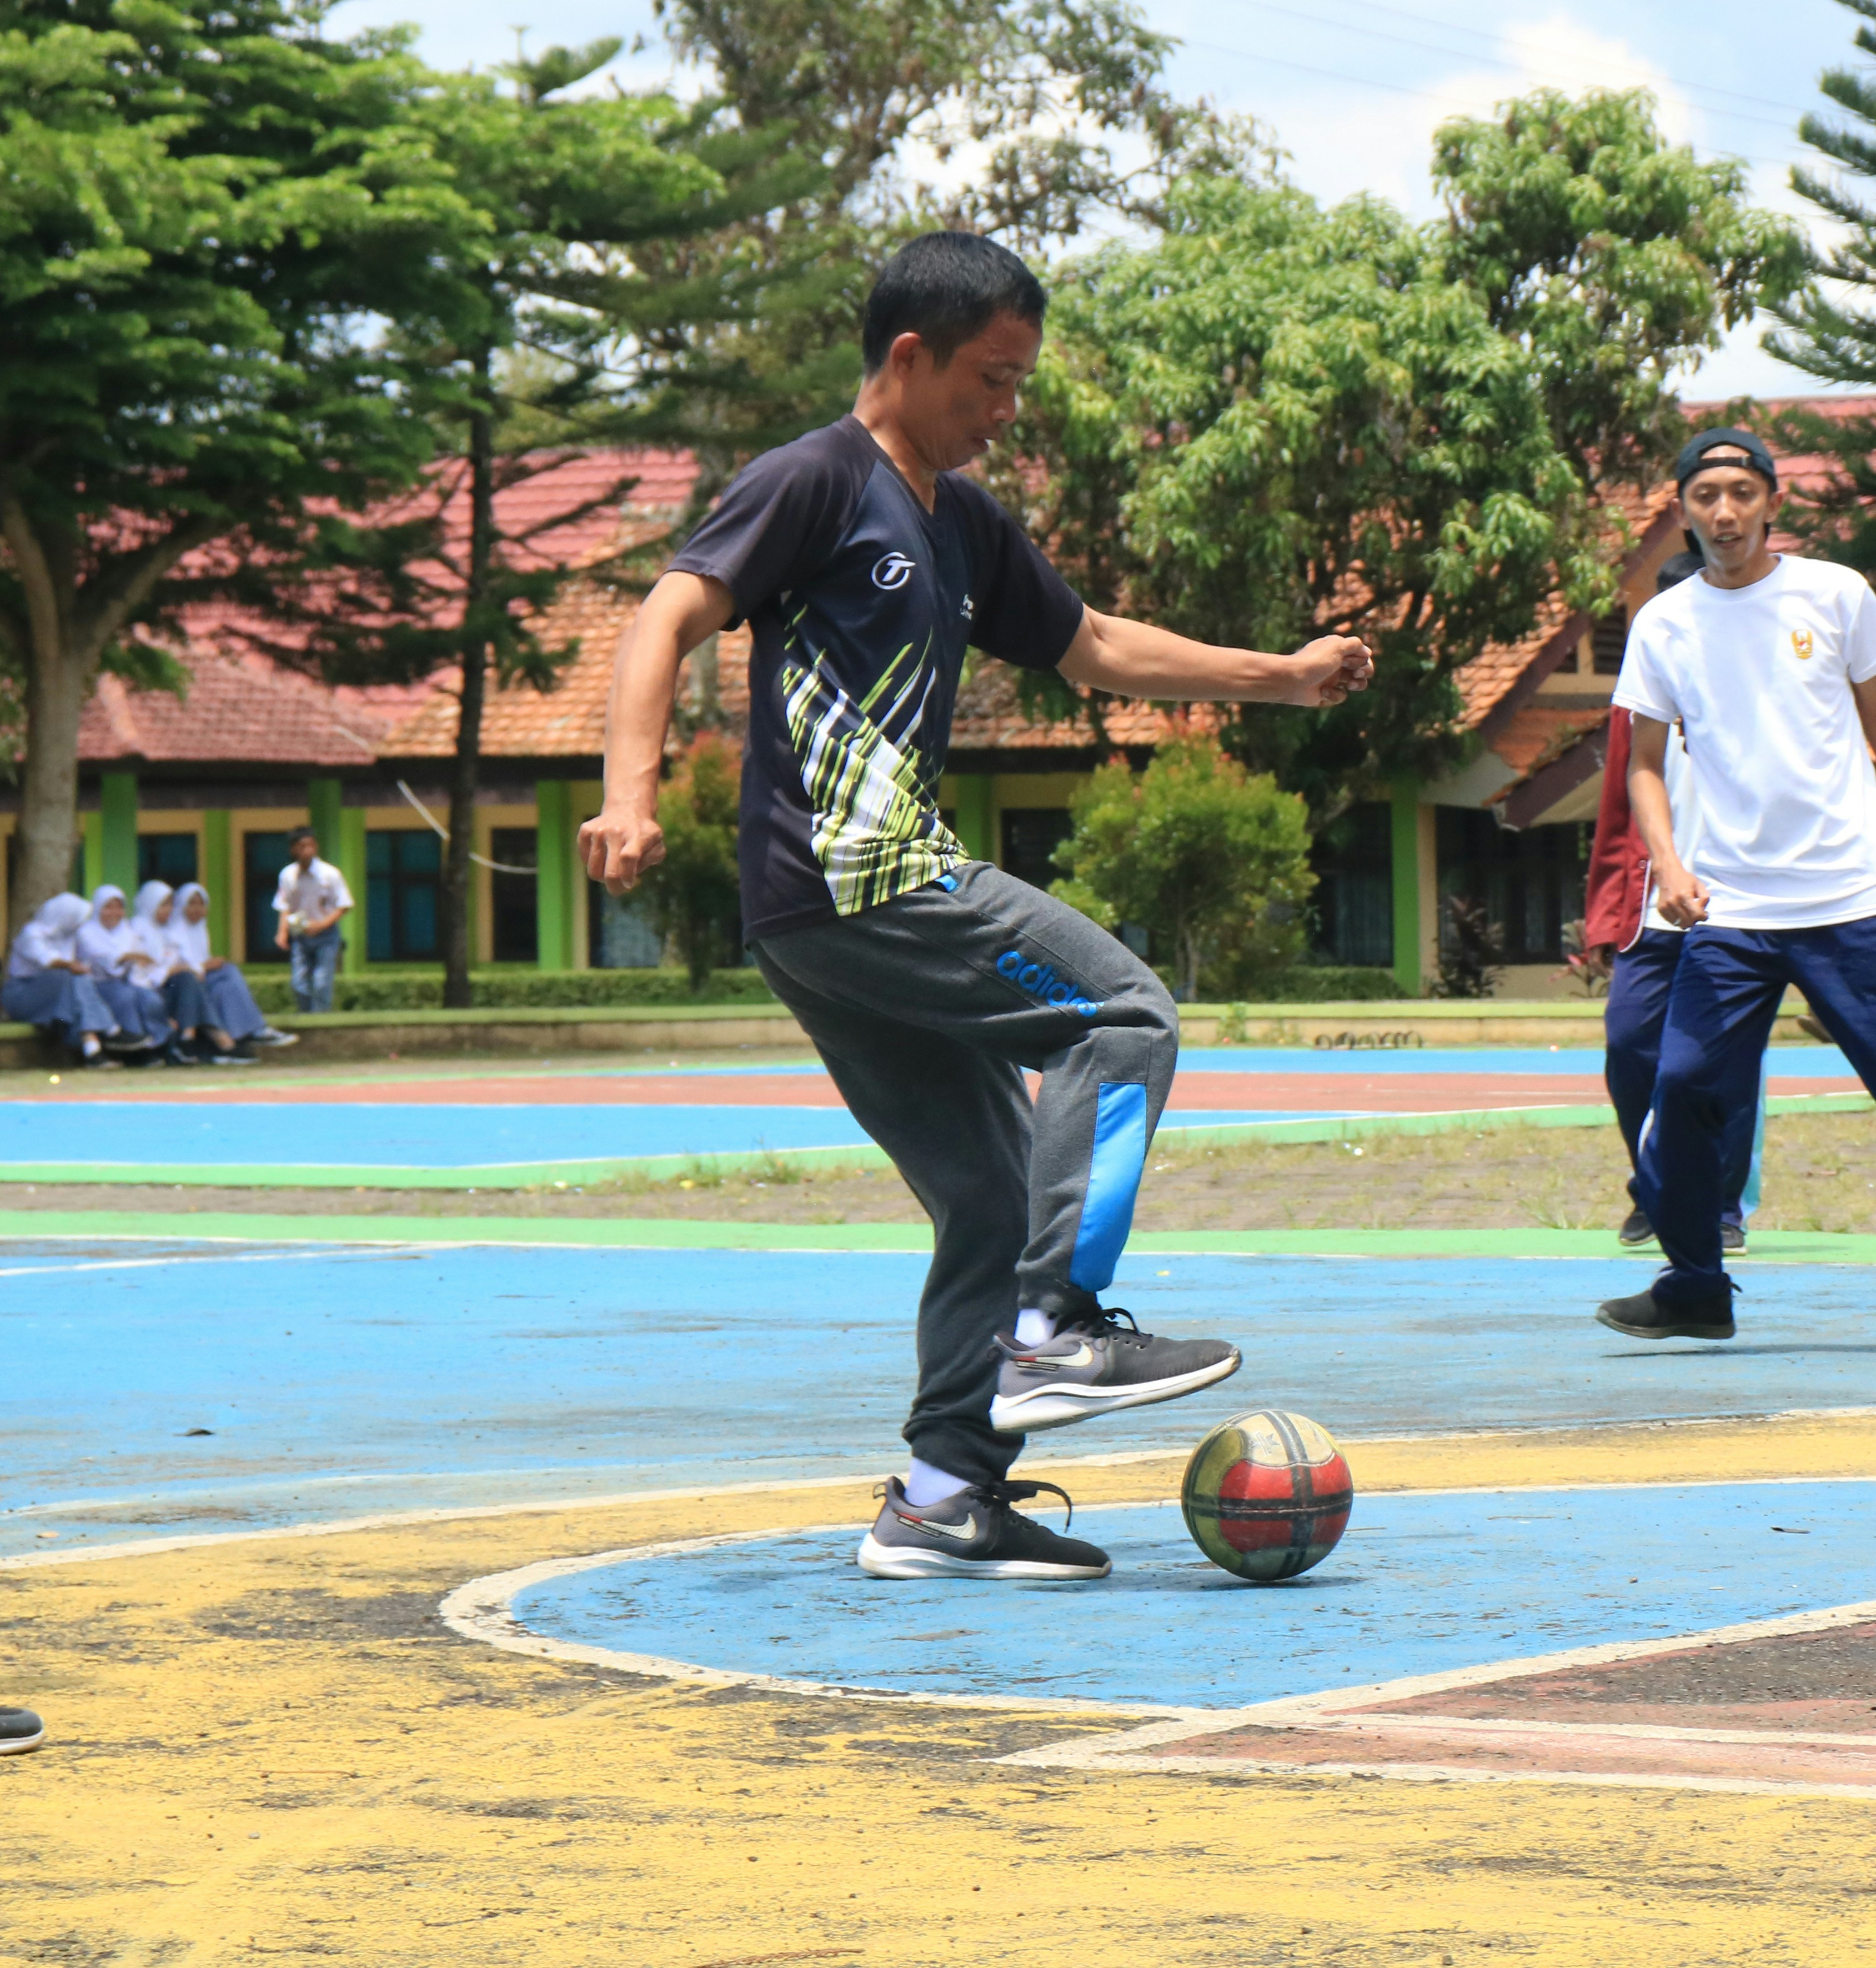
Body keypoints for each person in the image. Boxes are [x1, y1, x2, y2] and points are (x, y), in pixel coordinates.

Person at [580, 231, 1372, 1584]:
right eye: (991, 382)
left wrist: (1282, 675)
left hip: (819, 921)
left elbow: (1097, 646)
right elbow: (664, 617)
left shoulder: (962, 522)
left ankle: (944, 1495)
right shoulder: (816, 481)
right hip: (862, 873)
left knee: (989, 1192)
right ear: (910, 356)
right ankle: (1051, 1329)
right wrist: (633, 794)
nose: (1005, 415)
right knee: (1121, 1015)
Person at [1595, 426, 1876, 1355]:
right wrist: (1667, 863)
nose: (1726, 511)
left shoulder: (1833, 594)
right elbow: (1645, 768)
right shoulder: (1662, 624)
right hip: (1732, 912)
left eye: (1743, 493)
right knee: (1684, 1090)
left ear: (1772, 503)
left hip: (1853, 899)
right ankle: (1697, 1285)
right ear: (1683, 513)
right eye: (1706, 496)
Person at [1585, 549, 1760, 1256]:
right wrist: (1603, 912)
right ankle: (1654, 1185)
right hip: (1653, 907)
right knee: (1630, 1044)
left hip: (1739, 904)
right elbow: (1616, 810)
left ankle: (1719, 1206)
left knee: (1728, 1063)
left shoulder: (1754, 690)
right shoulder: (1637, 700)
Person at [145, 882, 289, 1060]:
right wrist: (205, 966)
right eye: (191, 904)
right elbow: (178, 967)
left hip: (196, 981)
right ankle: (250, 1032)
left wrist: (206, 966)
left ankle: (247, 1035)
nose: (197, 909)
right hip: (183, 986)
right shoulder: (172, 931)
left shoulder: (200, 930)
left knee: (226, 984)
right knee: (227, 972)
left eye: (201, 904)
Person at [4, 893, 119, 1064]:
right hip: (22, 996)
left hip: (56, 996)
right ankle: (110, 1029)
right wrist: (73, 967)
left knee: (77, 981)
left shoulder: (68, 936)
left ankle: (92, 1046)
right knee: (69, 976)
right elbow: (48, 961)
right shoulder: (32, 933)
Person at [71, 886, 171, 1059]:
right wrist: (127, 956)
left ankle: (155, 1045)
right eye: (108, 907)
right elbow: (100, 956)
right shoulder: (86, 932)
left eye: (119, 907)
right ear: (98, 908)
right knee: (125, 995)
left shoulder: (127, 931)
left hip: (125, 983)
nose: (114, 913)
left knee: (150, 999)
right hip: (97, 985)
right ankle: (131, 1050)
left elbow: (143, 962)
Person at [272, 828, 353, 1014]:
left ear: (316, 847)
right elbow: (284, 906)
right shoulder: (288, 875)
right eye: (301, 847)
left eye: (310, 846)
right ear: (293, 850)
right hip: (300, 935)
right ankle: (307, 1018)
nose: (306, 851)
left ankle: (321, 1020)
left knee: (322, 981)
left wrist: (322, 925)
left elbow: (344, 905)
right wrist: (282, 932)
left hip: (326, 935)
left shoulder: (330, 874)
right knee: (299, 982)